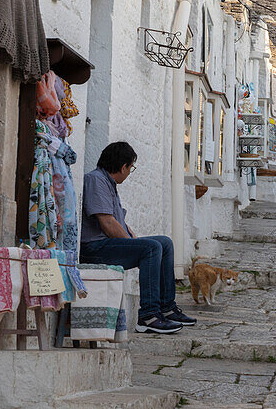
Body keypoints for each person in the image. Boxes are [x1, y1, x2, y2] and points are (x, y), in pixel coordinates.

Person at [80, 142, 197, 334]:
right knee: (150, 248)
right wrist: (133, 243)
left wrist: (128, 233)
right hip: (94, 248)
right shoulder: (96, 180)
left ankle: (167, 309)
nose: (129, 172)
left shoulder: (108, 183)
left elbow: (115, 219)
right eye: (131, 168)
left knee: (164, 243)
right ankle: (148, 316)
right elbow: (107, 223)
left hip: (105, 244)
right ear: (123, 166)